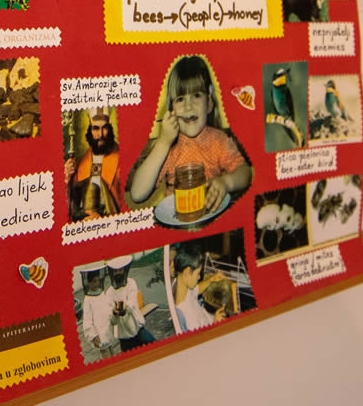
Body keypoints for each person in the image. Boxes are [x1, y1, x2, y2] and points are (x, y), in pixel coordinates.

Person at [127, 55, 251, 212]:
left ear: (209, 103)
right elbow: (137, 194)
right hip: (177, 220)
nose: (188, 106)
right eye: (180, 99)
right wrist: (164, 142)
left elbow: (245, 172)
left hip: (212, 217)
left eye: (196, 95)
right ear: (171, 110)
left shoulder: (218, 140)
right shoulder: (168, 148)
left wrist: (226, 182)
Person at [66, 108, 122, 220]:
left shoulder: (121, 157)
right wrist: (67, 179)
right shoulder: (84, 160)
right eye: (95, 128)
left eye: (104, 128)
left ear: (110, 128)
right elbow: (73, 202)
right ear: (90, 130)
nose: (100, 134)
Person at [169, 244, 230, 332]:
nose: (199, 277)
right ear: (187, 272)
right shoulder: (189, 317)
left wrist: (212, 279)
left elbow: (197, 289)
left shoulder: (182, 288)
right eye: (198, 273)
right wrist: (215, 323)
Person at [105, 256, 154, 352]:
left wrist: (117, 308)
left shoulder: (131, 283)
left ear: (124, 270)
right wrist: (115, 311)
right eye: (115, 271)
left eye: (120, 270)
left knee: (155, 346)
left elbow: (130, 305)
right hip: (124, 337)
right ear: (112, 272)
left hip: (138, 329)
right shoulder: (109, 292)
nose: (118, 273)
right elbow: (112, 320)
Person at [77, 263, 117, 360]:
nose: (97, 283)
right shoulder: (88, 300)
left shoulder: (102, 294)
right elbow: (87, 320)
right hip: (100, 335)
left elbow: (108, 308)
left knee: (113, 355)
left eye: (98, 280)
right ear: (89, 283)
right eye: (94, 281)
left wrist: (114, 312)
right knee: (106, 357)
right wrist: (93, 336)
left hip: (107, 331)